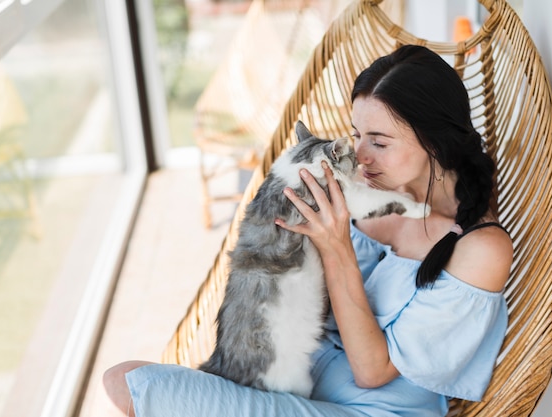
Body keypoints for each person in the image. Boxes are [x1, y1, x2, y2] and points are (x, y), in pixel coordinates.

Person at [103, 45, 513, 417]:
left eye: (380, 143)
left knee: (134, 385)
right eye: (356, 136)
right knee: (126, 377)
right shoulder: (375, 196)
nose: (360, 156)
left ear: (434, 143)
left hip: (369, 409)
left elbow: (373, 372)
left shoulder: (480, 249)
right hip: (295, 378)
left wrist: (336, 246)